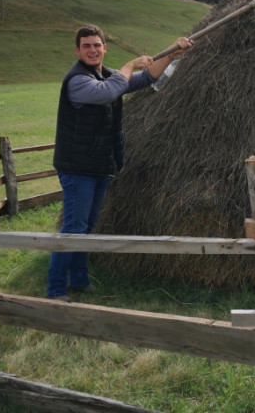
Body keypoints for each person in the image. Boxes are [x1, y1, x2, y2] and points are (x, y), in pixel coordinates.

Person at [47, 24, 193, 301]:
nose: (93, 50)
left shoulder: (107, 75)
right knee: (74, 229)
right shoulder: (78, 80)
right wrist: (129, 64)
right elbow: (109, 92)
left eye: (97, 45)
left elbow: (144, 78)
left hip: (99, 164)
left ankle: (78, 280)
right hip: (78, 167)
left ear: (104, 48)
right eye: (87, 46)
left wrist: (171, 54)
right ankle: (55, 289)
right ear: (78, 51)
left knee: (87, 228)